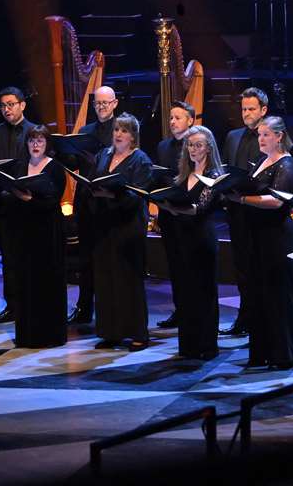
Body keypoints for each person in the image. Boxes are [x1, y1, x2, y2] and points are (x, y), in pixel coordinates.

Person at [231, 116, 293, 370]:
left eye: (266, 135)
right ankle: (260, 353)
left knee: (278, 296)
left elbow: (278, 201)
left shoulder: (288, 165)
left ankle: (282, 355)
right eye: (260, 135)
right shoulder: (262, 161)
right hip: (258, 236)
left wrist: (243, 200)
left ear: (279, 136)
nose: (260, 139)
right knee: (259, 295)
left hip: (278, 238)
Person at [157, 126, 223, 359]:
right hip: (181, 238)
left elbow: (201, 208)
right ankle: (188, 345)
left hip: (202, 239)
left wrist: (174, 207)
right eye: (190, 145)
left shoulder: (215, 176)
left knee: (203, 292)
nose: (193, 149)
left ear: (208, 147)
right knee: (185, 292)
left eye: (198, 145)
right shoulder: (184, 174)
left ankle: (206, 346)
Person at [90, 112, 153, 351]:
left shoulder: (141, 160)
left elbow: (138, 195)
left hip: (128, 226)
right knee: (106, 278)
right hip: (105, 225)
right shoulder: (103, 155)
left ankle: (138, 333)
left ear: (133, 137)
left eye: (124, 131)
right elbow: (93, 181)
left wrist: (112, 194)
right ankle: (110, 332)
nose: (118, 134)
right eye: (116, 129)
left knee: (129, 280)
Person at [4, 126, 68, 347]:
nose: (36, 144)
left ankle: (50, 335)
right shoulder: (21, 166)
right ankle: (27, 335)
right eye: (32, 140)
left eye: (40, 140)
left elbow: (53, 201)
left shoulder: (55, 169)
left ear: (47, 144)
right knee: (25, 281)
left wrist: (30, 199)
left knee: (46, 281)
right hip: (24, 231)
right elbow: (10, 195)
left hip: (47, 232)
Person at [0, 86, 37, 323]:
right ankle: (12, 305)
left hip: (28, 203)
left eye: (11, 104)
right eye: (3, 105)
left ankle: (32, 303)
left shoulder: (35, 130)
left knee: (30, 256)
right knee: (9, 257)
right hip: (4, 204)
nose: (7, 109)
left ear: (22, 105)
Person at [219, 87, 268, 336]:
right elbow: (226, 168)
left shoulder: (271, 135)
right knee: (240, 267)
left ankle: (257, 318)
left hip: (259, 213)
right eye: (244, 109)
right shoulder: (233, 136)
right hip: (236, 211)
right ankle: (244, 317)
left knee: (257, 267)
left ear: (263, 110)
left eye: (251, 109)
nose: (246, 114)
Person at [69, 86, 118, 325]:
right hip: (87, 201)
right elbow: (74, 161)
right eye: (97, 103)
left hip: (109, 203)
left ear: (115, 103)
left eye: (105, 103)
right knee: (85, 258)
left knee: (108, 257)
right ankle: (84, 306)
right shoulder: (85, 131)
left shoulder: (122, 129)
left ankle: (110, 308)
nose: (101, 107)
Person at [154, 100, 195, 329]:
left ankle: (191, 310)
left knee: (190, 266)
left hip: (188, 215)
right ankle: (180, 310)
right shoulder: (163, 147)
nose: (172, 122)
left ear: (190, 120)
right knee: (175, 266)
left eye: (177, 118)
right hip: (168, 215)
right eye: (170, 118)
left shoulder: (196, 145)